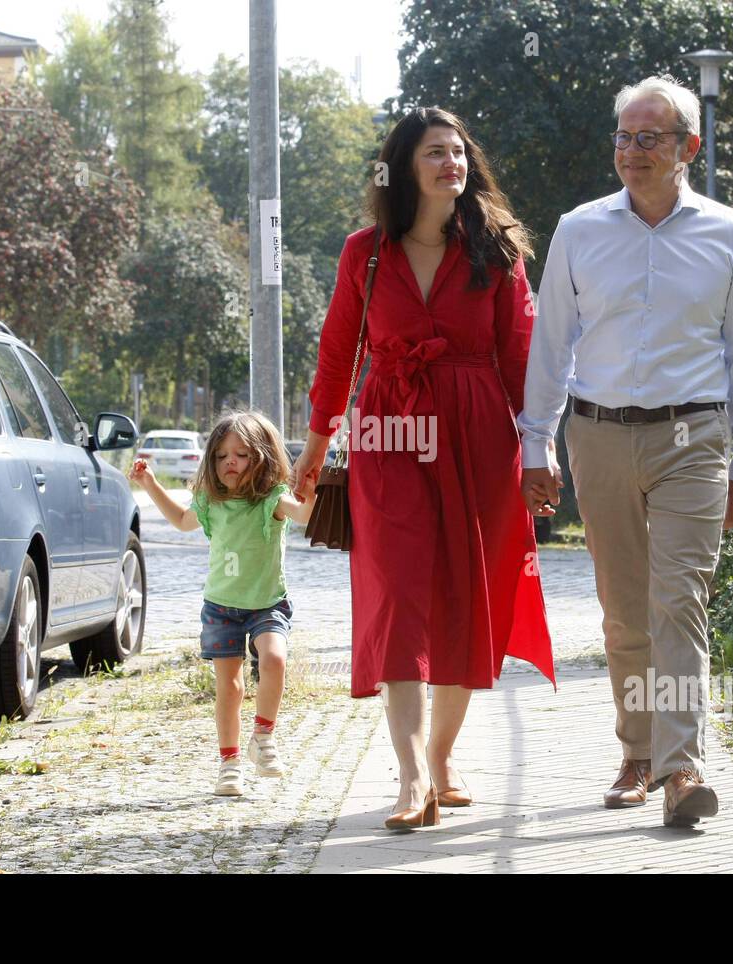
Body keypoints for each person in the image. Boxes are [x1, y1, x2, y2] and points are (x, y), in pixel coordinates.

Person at [292, 107, 555, 831]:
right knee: (398, 597)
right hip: (390, 432)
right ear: (405, 166)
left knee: (468, 596)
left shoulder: (496, 249)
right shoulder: (364, 253)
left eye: (460, 152)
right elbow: (338, 351)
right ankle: (411, 779)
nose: (452, 164)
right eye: (436, 153)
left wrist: (541, 449)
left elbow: (523, 355)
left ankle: (441, 755)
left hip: (477, 434)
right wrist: (315, 449)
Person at [519, 74, 733, 829]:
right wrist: (537, 441)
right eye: (625, 137)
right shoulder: (579, 229)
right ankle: (637, 752)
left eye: (650, 137)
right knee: (625, 610)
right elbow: (551, 343)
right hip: (596, 434)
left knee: (678, 601)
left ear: (688, 147)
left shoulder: (727, 235)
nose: (633, 151)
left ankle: (682, 764)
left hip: (695, 436)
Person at [129, 409, 317, 797]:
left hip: (267, 603)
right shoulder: (211, 501)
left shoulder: (271, 499)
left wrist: (311, 495)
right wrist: (148, 483)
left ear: (262, 458)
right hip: (221, 607)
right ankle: (229, 762)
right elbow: (181, 521)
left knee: (275, 659)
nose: (230, 461)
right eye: (221, 455)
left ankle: (263, 736)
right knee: (229, 688)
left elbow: (302, 515)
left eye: (242, 454)